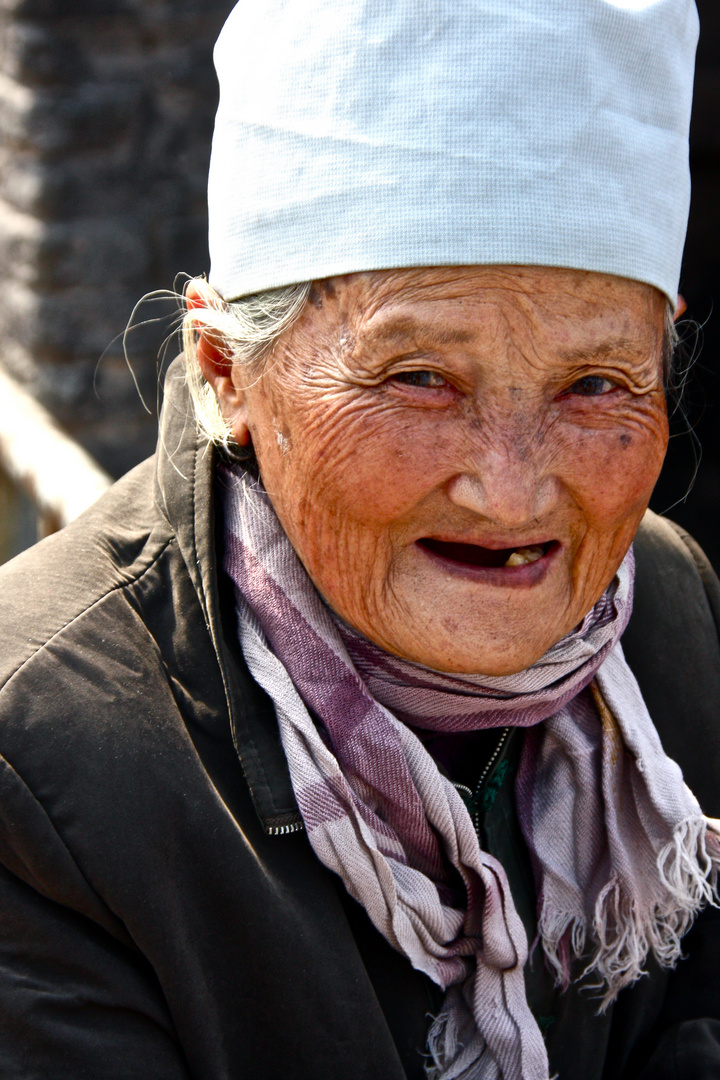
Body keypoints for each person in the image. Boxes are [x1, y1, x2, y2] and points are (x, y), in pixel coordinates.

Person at [0, 1, 718, 1078]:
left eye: (595, 384)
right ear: (226, 371)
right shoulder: (37, 759)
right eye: (420, 378)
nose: (511, 491)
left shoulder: (666, 606)